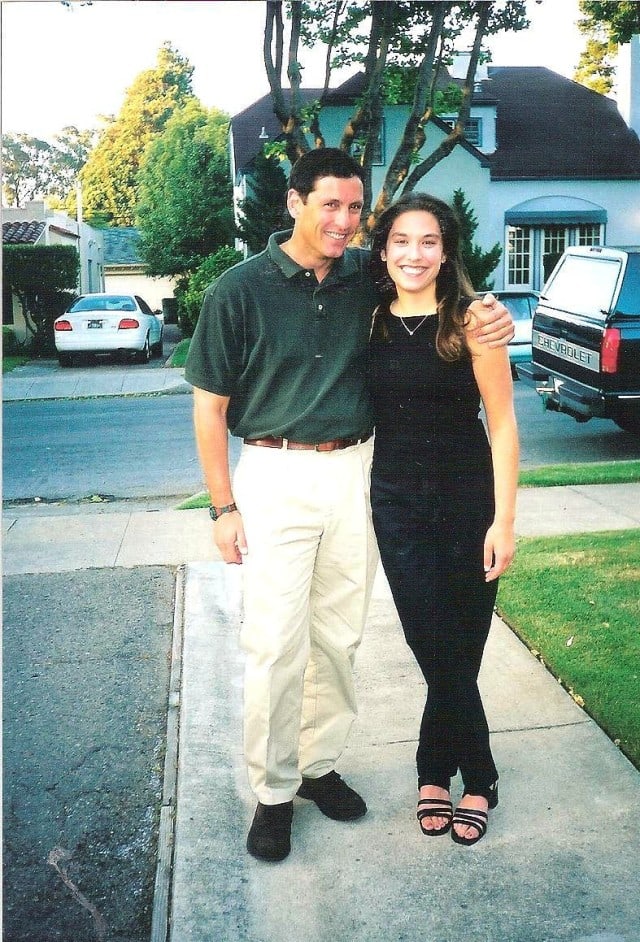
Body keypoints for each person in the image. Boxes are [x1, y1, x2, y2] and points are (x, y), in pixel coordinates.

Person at [184, 148, 514, 863]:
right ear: (293, 203)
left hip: (358, 471)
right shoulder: (237, 292)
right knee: (276, 643)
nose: (343, 220)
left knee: (338, 637)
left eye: (354, 208)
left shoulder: (368, 273)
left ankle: (317, 767)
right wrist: (223, 507)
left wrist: (491, 316)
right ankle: (272, 795)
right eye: (328, 204)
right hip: (272, 472)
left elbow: (434, 275)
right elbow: (208, 412)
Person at [368, 191, 519, 847]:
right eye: (402, 240)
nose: (414, 253)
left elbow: (505, 425)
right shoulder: (366, 320)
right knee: (437, 648)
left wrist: (505, 521)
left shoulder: (473, 322)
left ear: (446, 250)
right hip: (397, 504)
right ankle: (481, 773)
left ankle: (437, 771)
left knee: (461, 648)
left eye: (428, 241)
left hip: (468, 503)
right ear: (383, 249)